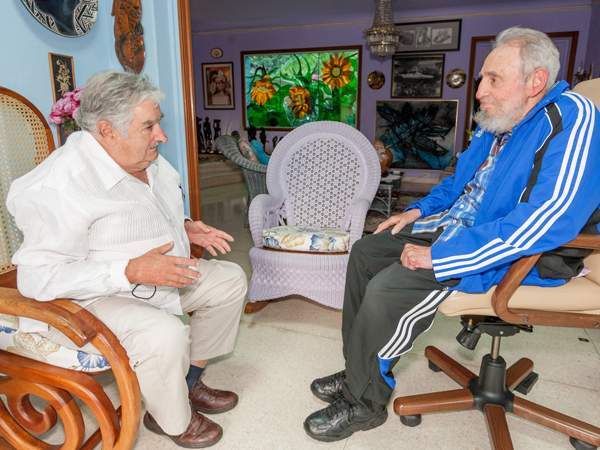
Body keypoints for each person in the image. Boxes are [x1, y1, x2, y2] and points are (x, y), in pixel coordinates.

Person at [304, 26, 600, 442]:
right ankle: (360, 367)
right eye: (483, 79)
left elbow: (549, 218)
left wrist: (443, 257)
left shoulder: (572, 117)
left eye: (493, 80)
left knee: (389, 287)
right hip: (458, 229)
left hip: (519, 252)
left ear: (536, 82)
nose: (480, 92)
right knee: (367, 252)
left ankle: (364, 402)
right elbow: (458, 181)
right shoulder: (502, 120)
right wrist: (416, 211)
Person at [7, 70, 247, 448]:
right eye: (149, 126)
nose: (162, 136)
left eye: (158, 124)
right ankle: (173, 420)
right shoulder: (60, 185)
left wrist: (183, 226)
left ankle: (186, 382)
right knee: (164, 335)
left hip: (152, 278)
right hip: (87, 297)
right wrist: (130, 269)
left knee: (230, 279)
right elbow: (36, 279)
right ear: (107, 130)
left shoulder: (144, 157)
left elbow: (141, 211)